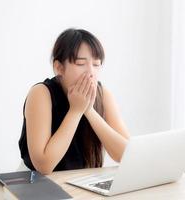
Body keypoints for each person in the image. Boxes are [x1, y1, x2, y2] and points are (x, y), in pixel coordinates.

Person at [18, 28, 130, 175]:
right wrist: (76, 111)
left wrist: (88, 110)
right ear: (59, 67)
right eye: (80, 63)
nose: (90, 72)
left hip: (81, 182)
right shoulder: (41, 94)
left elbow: (127, 155)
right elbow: (44, 166)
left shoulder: (104, 95)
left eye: (96, 64)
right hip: (37, 183)